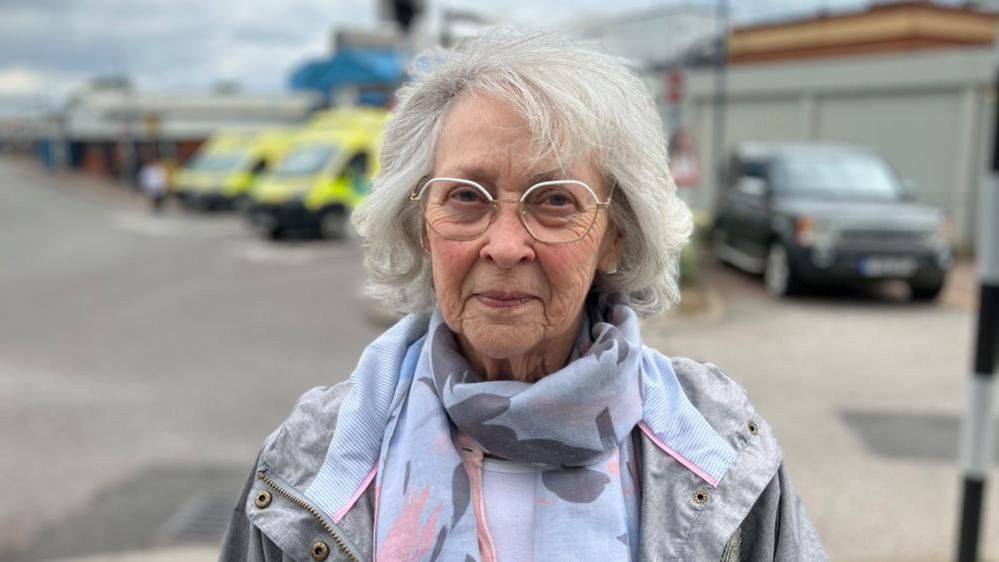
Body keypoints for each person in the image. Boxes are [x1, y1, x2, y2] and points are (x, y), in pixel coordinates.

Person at [219, 30, 827, 562]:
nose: (505, 246)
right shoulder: (313, 462)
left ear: (616, 237)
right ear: (420, 226)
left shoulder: (721, 449)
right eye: (465, 196)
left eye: (555, 199)